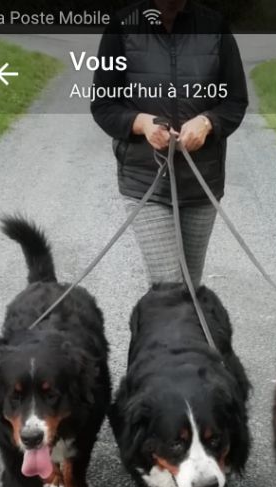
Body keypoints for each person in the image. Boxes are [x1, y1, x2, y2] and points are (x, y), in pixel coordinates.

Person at [91, 0, 248, 288]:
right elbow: (103, 105)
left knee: (190, 288)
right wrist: (142, 123)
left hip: (201, 182)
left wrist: (207, 123)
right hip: (145, 180)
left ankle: (181, 332)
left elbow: (236, 101)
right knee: (168, 287)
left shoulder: (214, 26)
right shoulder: (122, 26)